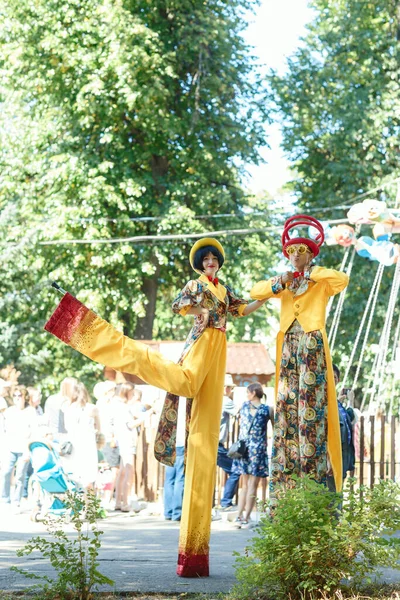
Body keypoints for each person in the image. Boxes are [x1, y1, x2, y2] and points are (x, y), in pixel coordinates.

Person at [44, 237, 266, 577]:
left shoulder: (225, 289)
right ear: (200, 264)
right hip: (202, 343)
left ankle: (194, 557)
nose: (210, 262)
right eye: (205, 259)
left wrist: (269, 294)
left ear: (219, 262)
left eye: (213, 259)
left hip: (220, 348)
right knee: (182, 380)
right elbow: (178, 305)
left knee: (204, 444)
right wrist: (201, 311)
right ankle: (84, 327)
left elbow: (242, 308)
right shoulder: (197, 285)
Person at [251, 214, 349, 507]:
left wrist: (311, 271)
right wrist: (281, 280)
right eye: (291, 251)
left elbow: (341, 279)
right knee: (286, 405)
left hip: (311, 342)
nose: (295, 256)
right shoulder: (283, 282)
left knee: (311, 403)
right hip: (288, 344)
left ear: (310, 254)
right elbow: (256, 292)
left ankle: (314, 475)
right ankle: (287, 481)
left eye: (301, 251)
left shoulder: (319, 279)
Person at [232, 383, 272, 528]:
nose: (247, 395)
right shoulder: (267, 410)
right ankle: (246, 518)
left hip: (244, 449)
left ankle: (239, 516)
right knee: (253, 486)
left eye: (248, 392)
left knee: (245, 484)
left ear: (253, 392)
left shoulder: (243, 407)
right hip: (259, 449)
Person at [0, 385, 35, 510]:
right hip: (10, 447)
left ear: (24, 397)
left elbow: (33, 431)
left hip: (24, 448)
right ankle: (5, 499)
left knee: (20, 475)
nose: (16, 398)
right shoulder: (9, 412)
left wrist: (28, 451)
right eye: (14, 396)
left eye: (19, 395)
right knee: (5, 472)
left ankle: (16, 500)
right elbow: (5, 430)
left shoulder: (30, 411)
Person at [63, 381, 100, 491]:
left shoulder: (67, 409)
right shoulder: (92, 408)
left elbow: (67, 428)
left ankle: (78, 506)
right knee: (89, 480)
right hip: (88, 446)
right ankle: (90, 506)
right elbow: (99, 428)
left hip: (73, 446)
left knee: (75, 479)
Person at [326, 365, 356, 491]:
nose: (333, 380)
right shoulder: (324, 402)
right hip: (331, 458)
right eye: (329, 377)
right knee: (332, 496)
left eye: (335, 377)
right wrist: (328, 458)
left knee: (337, 495)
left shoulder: (337, 403)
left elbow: (350, 417)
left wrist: (351, 401)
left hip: (343, 456)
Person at [217, 374, 240, 510]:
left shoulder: (214, 399)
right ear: (226, 388)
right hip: (216, 445)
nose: (231, 391)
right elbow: (239, 412)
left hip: (210, 443)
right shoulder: (225, 400)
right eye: (230, 388)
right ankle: (225, 502)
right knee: (235, 471)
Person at [163, 397, 186, 521]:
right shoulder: (186, 401)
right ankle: (177, 513)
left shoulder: (169, 401)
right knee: (179, 479)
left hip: (169, 442)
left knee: (169, 479)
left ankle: (168, 511)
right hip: (181, 442)